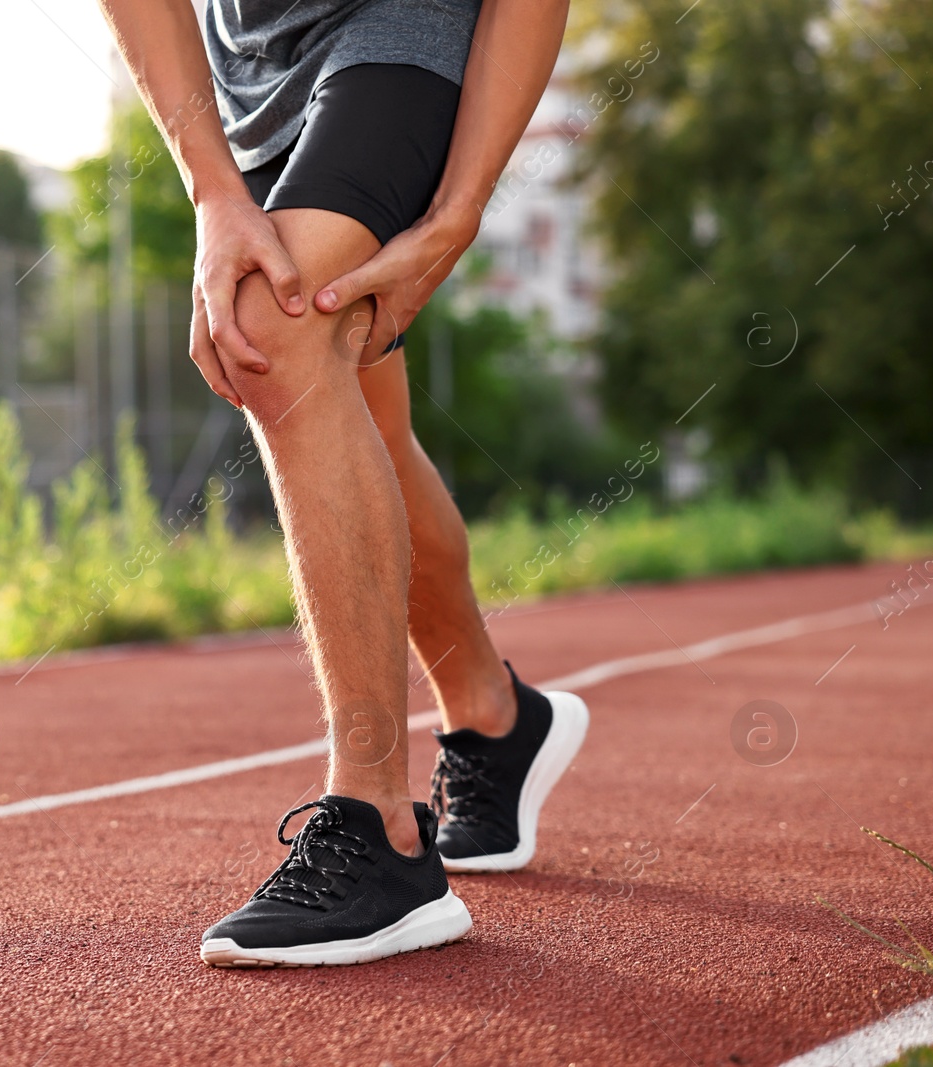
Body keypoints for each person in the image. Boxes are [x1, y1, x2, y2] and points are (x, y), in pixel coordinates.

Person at [96, 0, 588, 967]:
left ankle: (380, 836)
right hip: (245, 69)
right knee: (366, 425)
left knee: (270, 329)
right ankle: (493, 715)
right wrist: (211, 191)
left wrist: (459, 209)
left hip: (403, 29)